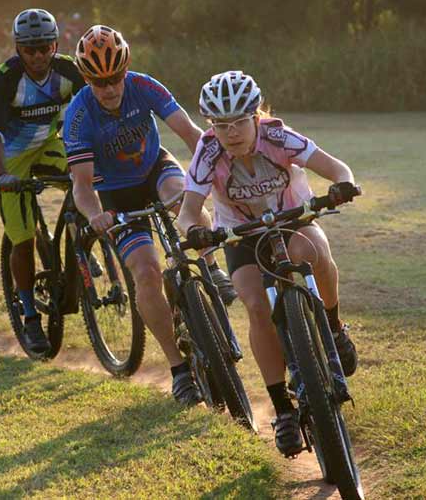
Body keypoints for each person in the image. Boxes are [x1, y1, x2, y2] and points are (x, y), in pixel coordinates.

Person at [176, 70, 360, 456]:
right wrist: (195, 230)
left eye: (240, 122)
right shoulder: (208, 152)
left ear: (255, 116)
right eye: (221, 125)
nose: (231, 132)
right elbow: (189, 211)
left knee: (316, 255)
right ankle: (284, 411)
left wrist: (343, 184)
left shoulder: (278, 135)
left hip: (292, 218)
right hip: (241, 234)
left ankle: (333, 326)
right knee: (256, 306)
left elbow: (335, 166)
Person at [63, 25, 236, 406]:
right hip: (115, 195)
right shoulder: (78, 116)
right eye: (99, 81)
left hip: (156, 168)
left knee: (180, 196)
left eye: (115, 78)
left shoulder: (145, 87)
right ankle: (178, 369)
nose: (109, 89)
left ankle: (211, 267)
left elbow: (193, 135)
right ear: (87, 79)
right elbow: (82, 186)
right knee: (146, 272)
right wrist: (95, 215)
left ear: (126, 71)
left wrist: (216, 175)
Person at [0, 8, 85, 355]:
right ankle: (28, 314)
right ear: (18, 48)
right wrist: (2, 174)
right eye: (30, 49)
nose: (39, 56)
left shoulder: (69, 69)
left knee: (87, 174)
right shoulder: (6, 77)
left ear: (56, 44)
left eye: (45, 48)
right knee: (22, 238)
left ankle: (80, 238)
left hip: (50, 143)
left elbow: (96, 104)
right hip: (13, 157)